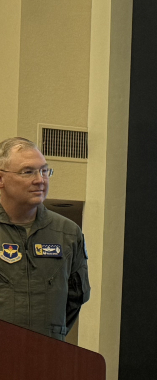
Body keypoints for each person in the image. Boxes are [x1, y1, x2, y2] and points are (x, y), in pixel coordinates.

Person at [0, 136, 89, 340]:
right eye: (28, 172)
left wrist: (49, 335)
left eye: (44, 170)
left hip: (46, 356)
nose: (40, 179)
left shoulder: (67, 233)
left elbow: (76, 298)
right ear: (1, 179)